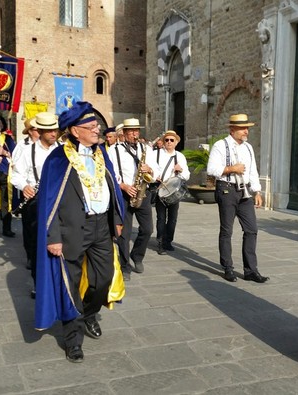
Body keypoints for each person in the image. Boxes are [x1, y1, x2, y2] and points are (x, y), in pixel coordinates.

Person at [35, 101, 124, 363]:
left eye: (97, 125)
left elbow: (112, 185)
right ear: (75, 131)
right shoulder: (58, 159)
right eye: (92, 126)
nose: (98, 129)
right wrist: (53, 237)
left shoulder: (100, 153)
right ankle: (73, 339)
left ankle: (87, 313)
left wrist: (117, 217)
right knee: (69, 284)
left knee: (103, 278)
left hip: (101, 227)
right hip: (72, 229)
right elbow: (48, 201)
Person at [206, 114, 268, 283]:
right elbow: (211, 169)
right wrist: (232, 168)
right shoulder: (220, 145)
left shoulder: (248, 147)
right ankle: (228, 267)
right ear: (232, 130)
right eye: (243, 128)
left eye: (247, 128)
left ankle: (251, 270)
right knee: (227, 230)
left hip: (244, 191)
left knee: (251, 229)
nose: (246, 131)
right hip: (226, 189)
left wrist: (257, 191)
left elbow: (253, 170)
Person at [11, 112, 60, 298]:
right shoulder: (27, 151)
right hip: (36, 202)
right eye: (49, 130)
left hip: (57, 200)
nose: (53, 133)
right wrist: (24, 186)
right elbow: (16, 175)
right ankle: (38, 283)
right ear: (39, 131)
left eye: (55, 129)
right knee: (37, 244)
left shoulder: (62, 150)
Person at [109, 118, 160, 280]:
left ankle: (137, 256)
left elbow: (156, 171)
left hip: (142, 192)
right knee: (124, 233)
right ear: (123, 133)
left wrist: (150, 169)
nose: (134, 134)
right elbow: (110, 173)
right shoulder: (113, 150)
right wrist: (123, 186)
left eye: (136, 130)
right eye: (130, 131)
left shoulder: (146, 149)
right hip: (124, 194)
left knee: (147, 229)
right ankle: (124, 266)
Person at [154, 130, 190, 254]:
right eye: (166, 140)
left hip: (174, 190)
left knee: (173, 218)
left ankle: (168, 241)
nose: (169, 142)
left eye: (171, 140)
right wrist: (155, 176)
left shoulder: (180, 156)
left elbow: (187, 175)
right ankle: (160, 242)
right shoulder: (156, 154)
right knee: (161, 217)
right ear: (163, 142)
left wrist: (180, 170)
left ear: (176, 143)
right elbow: (150, 169)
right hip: (160, 189)